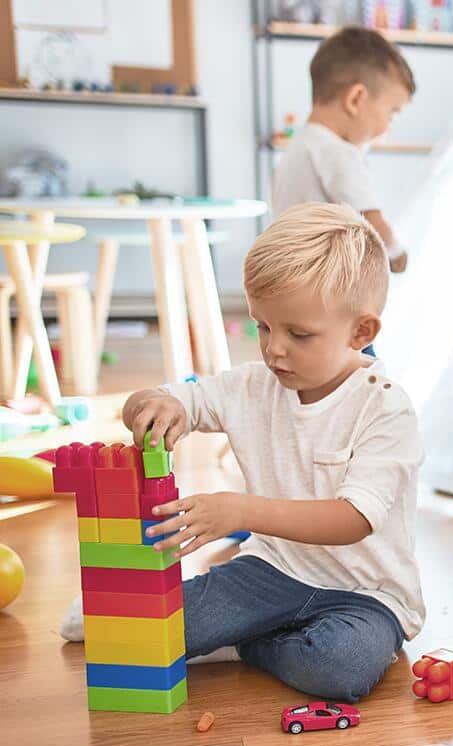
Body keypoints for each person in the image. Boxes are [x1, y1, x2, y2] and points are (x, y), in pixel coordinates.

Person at [61, 204, 423, 701]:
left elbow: (352, 520)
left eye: (298, 334)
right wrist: (154, 408)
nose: (274, 350)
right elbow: (166, 399)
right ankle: (221, 626)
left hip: (366, 595)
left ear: (361, 332)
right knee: (136, 635)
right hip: (270, 571)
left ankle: (248, 641)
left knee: (341, 668)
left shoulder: (384, 407)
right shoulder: (253, 385)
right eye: (263, 327)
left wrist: (240, 510)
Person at [271, 26, 414, 274]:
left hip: (288, 278)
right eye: (392, 113)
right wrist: (396, 253)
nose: (388, 127)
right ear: (356, 99)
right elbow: (373, 223)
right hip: (325, 286)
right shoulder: (338, 153)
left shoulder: (300, 145)